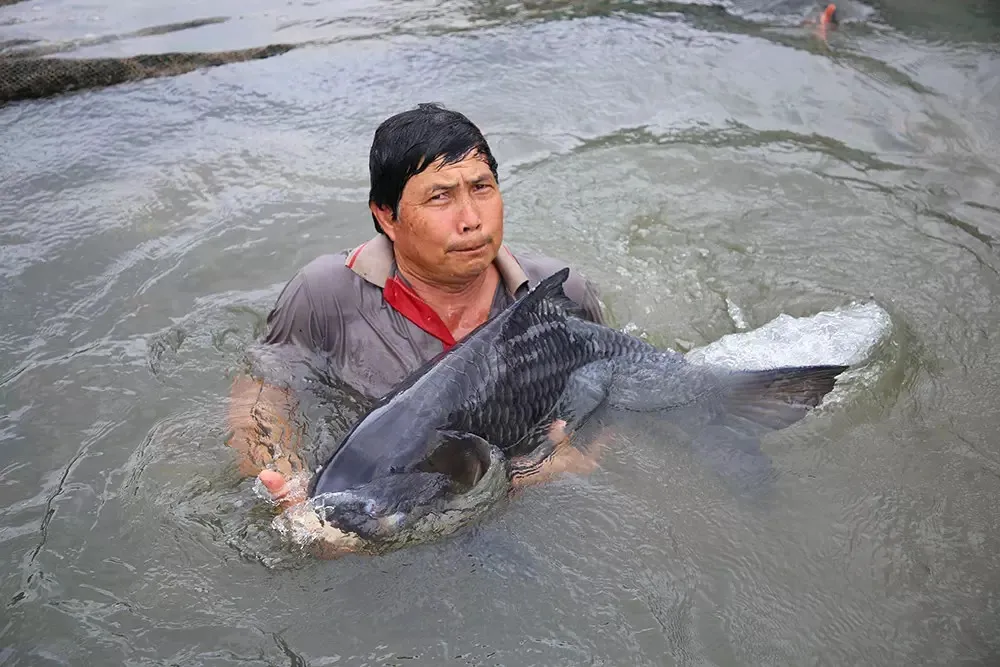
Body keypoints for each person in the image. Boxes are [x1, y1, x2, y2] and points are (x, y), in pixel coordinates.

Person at [227, 103, 608, 521]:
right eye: (440, 196)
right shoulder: (323, 295)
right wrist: (289, 488)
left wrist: (576, 461)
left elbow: (611, 396)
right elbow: (263, 400)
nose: (471, 220)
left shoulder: (557, 290)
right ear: (386, 217)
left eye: (482, 188)